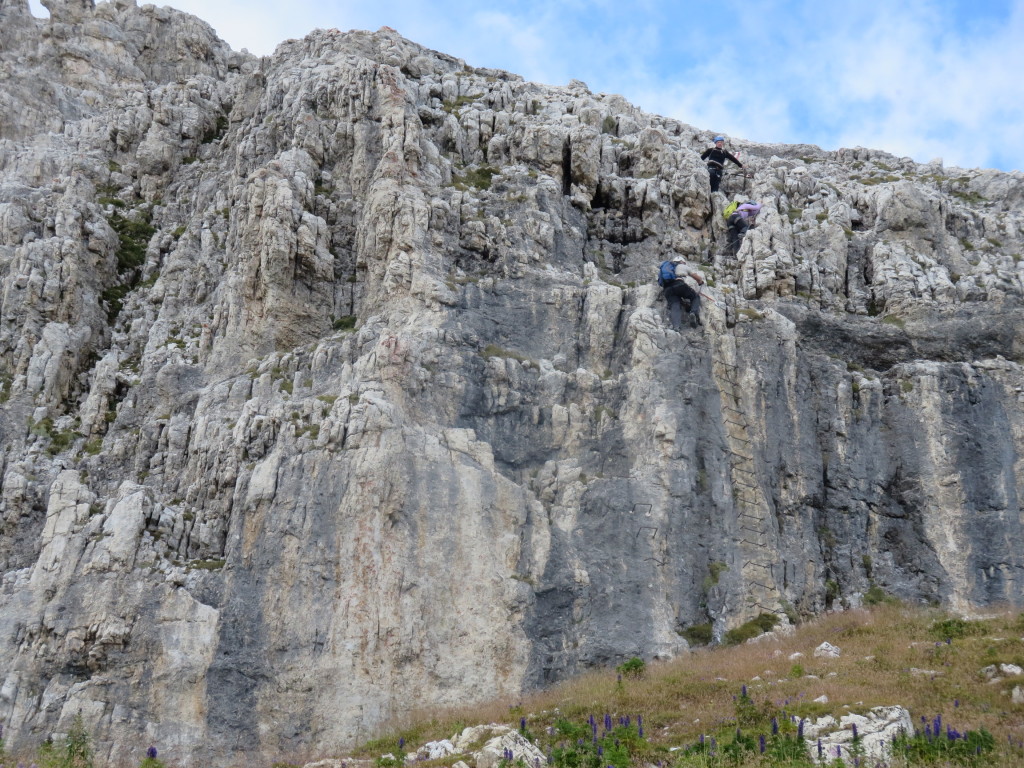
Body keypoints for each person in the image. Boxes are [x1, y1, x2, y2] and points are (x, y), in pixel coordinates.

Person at [660, 255, 705, 330]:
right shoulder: (682, 266)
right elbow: (696, 277)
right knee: (695, 297)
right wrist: (700, 281)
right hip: (679, 285)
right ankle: (693, 312)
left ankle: (676, 326)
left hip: (667, 289)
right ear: (682, 261)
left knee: (675, 305)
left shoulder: (667, 268)